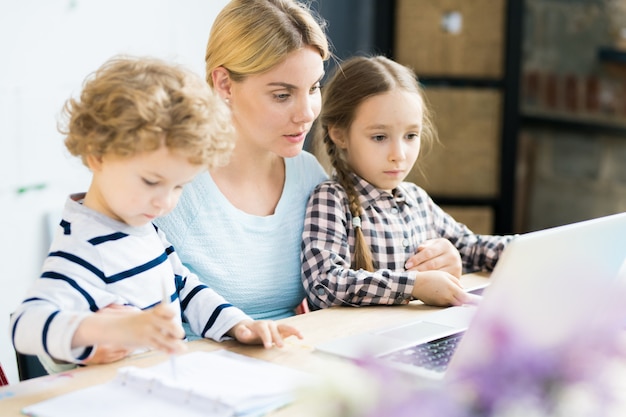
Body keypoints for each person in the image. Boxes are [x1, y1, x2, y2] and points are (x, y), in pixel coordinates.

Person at [10, 55, 302, 374]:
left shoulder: (141, 225)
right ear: (97, 155)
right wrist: (104, 330)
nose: (164, 202)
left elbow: (182, 285)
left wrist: (238, 324)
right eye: (152, 181)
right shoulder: (83, 246)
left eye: (179, 186)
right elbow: (25, 326)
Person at [154, 0, 330, 326]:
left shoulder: (309, 176)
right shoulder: (170, 187)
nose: (307, 113)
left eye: (314, 87)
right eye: (282, 95)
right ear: (224, 84)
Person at [301, 55, 514, 310]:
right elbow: (325, 284)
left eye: (411, 135)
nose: (399, 154)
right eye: (379, 137)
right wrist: (415, 285)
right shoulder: (331, 199)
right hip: (356, 341)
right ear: (339, 134)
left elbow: (473, 248)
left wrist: (533, 249)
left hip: (414, 333)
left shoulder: (416, 200)